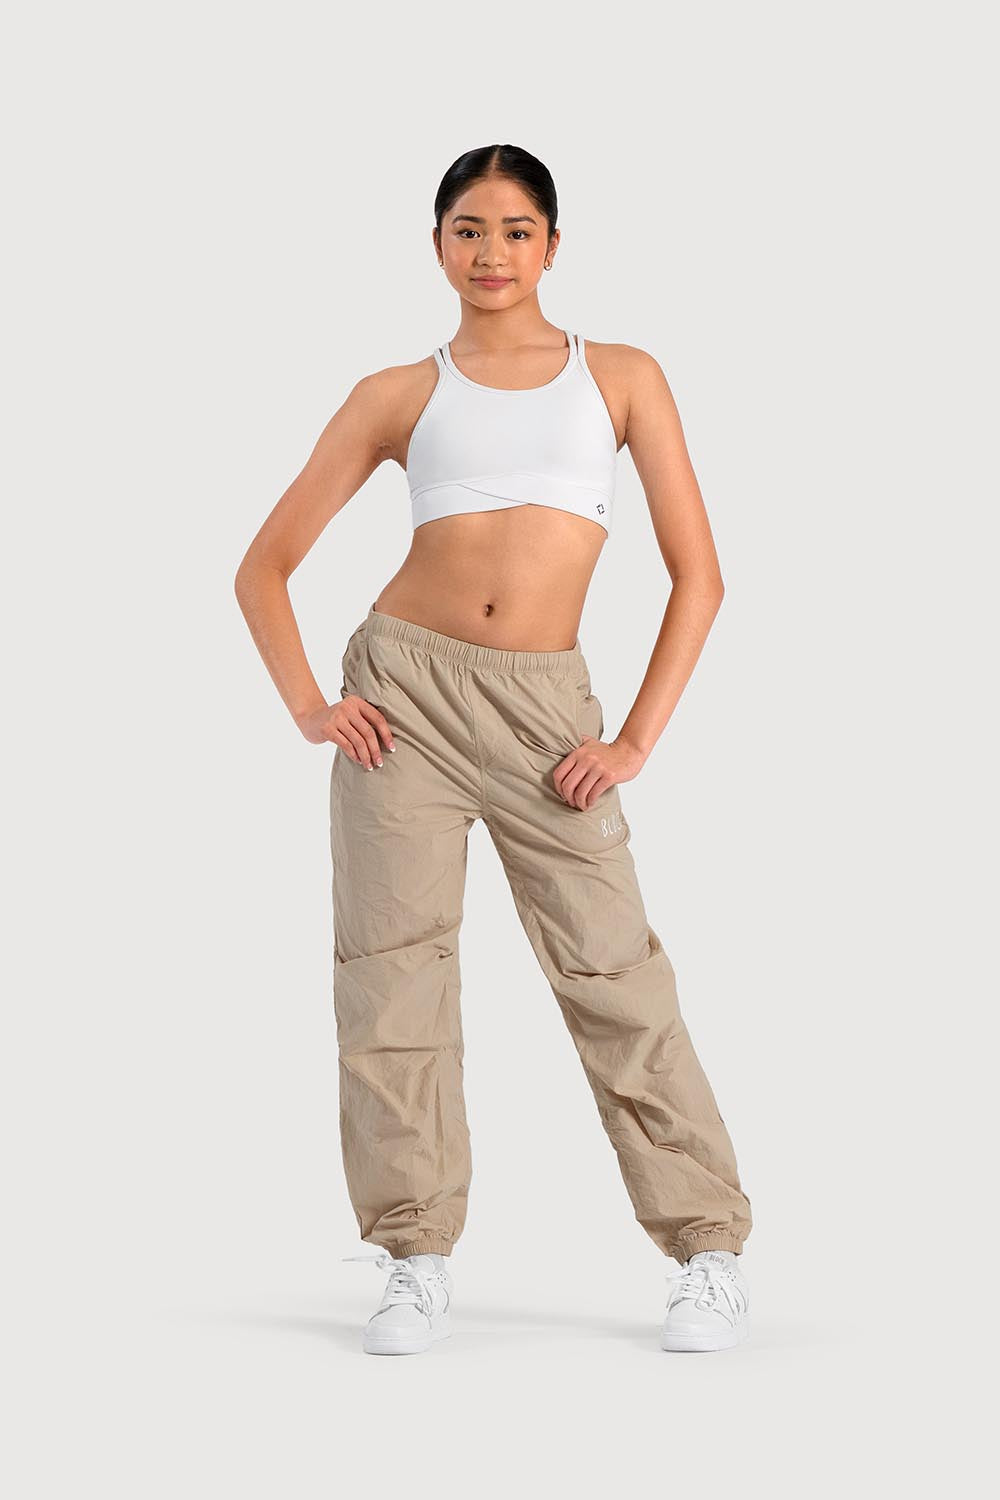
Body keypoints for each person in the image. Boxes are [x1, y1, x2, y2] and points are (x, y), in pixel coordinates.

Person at [235, 143, 753, 1357]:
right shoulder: (395, 393)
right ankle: (412, 1254)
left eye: (517, 230)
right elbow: (263, 566)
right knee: (392, 976)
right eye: (468, 229)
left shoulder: (619, 376)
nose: (491, 252)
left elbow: (700, 576)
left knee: (614, 975)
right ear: (437, 246)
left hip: (545, 714)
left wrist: (633, 738)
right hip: (402, 702)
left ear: (553, 246)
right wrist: (312, 706)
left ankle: (707, 1251)